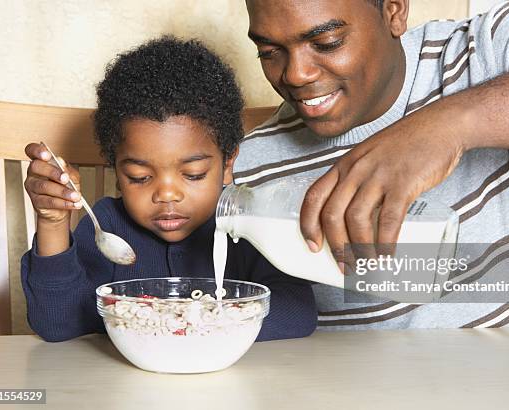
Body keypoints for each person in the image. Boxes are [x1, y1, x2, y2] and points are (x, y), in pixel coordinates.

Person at [235, 0, 509, 329]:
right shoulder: (252, 175)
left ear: (394, 10)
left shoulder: (490, 51)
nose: (296, 74)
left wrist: (449, 125)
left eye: (327, 42)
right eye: (268, 52)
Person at [21, 36, 317, 342]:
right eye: (138, 176)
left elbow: (298, 313)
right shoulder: (108, 225)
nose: (167, 194)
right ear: (117, 170)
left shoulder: (247, 227)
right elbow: (57, 324)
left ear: (227, 163)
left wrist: (189, 322)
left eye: (193, 174)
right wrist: (53, 223)